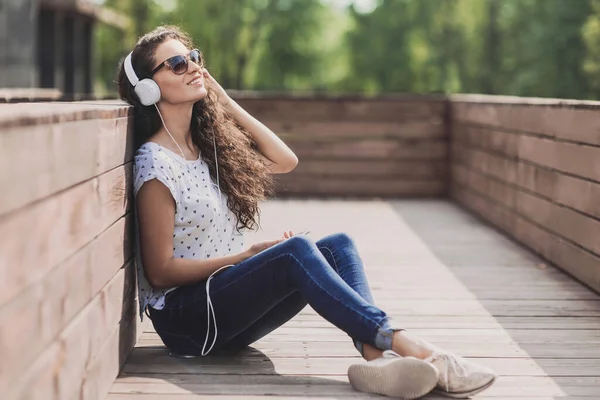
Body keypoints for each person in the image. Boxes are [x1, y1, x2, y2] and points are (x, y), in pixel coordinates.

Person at [117, 25, 497, 399]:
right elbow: (160, 271)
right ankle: (416, 349)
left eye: (195, 58)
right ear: (148, 88)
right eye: (178, 64)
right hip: (188, 322)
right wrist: (246, 257)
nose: (194, 67)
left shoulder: (206, 150)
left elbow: (285, 159)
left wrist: (223, 99)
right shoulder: (156, 163)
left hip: (222, 308)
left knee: (338, 246)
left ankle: (378, 359)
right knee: (294, 251)